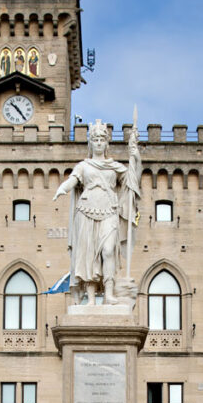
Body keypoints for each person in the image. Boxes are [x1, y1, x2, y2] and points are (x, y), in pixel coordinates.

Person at [53, 118, 141, 305]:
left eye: (102, 140)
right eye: (95, 140)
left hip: (109, 211)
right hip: (86, 212)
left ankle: (108, 294)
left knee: (108, 251)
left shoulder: (114, 166)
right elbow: (72, 181)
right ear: (90, 143)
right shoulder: (83, 166)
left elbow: (132, 181)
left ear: (107, 143)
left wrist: (136, 157)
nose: (99, 143)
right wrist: (62, 188)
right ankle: (91, 299)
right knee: (89, 255)